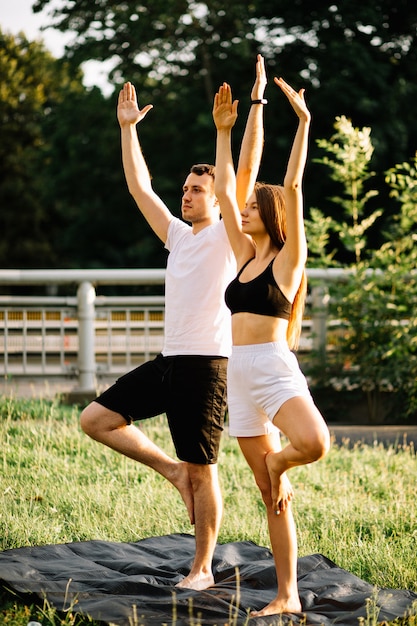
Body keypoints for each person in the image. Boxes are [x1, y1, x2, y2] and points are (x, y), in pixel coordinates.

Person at [79, 56, 267, 592]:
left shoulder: (230, 236)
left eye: (196, 190)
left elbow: (245, 168)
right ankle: (171, 471)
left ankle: (203, 568)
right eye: (184, 189)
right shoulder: (178, 236)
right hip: (169, 360)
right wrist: (127, 131)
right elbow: (140, 188)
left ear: (218, 199)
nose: (186, 195)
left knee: (205, 468)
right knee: (95, 420)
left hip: (207, 365)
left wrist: (252, 107)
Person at [212, 76, 331, 615]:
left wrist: (303, 124)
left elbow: (295, 188)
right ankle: (286, 595)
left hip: (274, 369)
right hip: (238, 373)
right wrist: (223, 132)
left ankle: (279, 464)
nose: (244, 210)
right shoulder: (243, 257)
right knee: (270, 498)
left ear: (271, 214)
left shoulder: (286, 261)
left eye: (254, 206)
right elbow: (222, 191)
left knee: (314, 443)